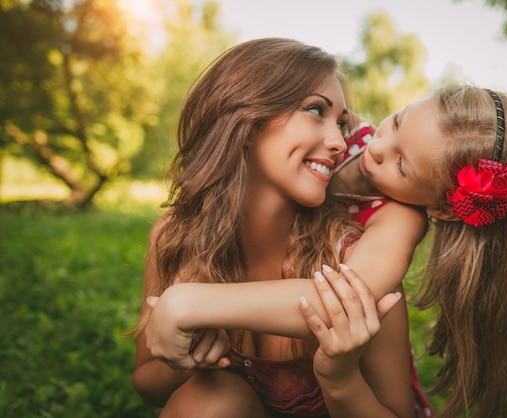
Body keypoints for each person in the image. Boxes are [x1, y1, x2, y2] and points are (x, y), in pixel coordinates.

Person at [146, 83, 507, 418]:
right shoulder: (345, 134)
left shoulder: (402, 217)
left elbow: (342, 299)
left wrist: (189, 302)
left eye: (402, 165)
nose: (376, 149)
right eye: (397, 122)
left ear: (440, 205)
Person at [133, 37, 432, 418]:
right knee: (210, 400)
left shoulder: (352, 259)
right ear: (245, 115)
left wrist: (341, 377)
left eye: (341, 123)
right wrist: (189, 357)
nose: (340, 142)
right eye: (315, 110)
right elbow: (147, 384)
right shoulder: (175, 237)